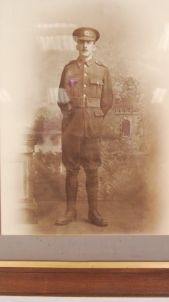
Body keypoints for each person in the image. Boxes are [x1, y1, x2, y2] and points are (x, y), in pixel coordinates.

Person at [55, 27, 113, 227]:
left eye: (88, 43)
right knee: (71, 169)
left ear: (94, 46)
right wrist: (72, 116)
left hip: (93, 128)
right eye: (81, 42)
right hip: (72, 126)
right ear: (76, 45)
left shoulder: (102, 70)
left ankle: (93, 212)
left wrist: (94, 117)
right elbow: (62, 97)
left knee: (92, 169)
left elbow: (107, 101)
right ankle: (70, 211)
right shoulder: (69, 69)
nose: (84, 46)